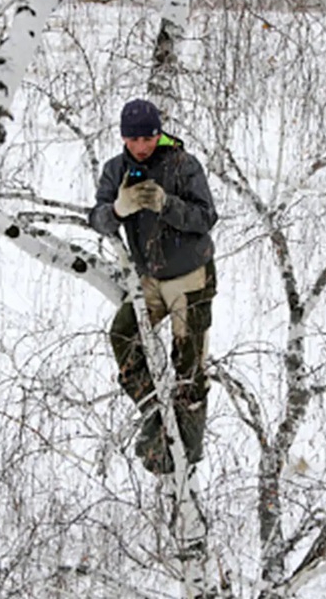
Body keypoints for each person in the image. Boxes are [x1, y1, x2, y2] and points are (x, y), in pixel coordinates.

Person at [88, 98, 219, 475]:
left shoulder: (183, 164)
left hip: (191, 277)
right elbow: (96, 219)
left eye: (148, 138)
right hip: (149, 278)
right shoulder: (116, 170)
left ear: (159, 134)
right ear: (123, 139)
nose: (141, 146)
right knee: (122, 335)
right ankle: (153, 413)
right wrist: (117, 211)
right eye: (134, 139)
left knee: (189, 366)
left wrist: (166, 204)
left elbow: (206, 217)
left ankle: (184, 455)